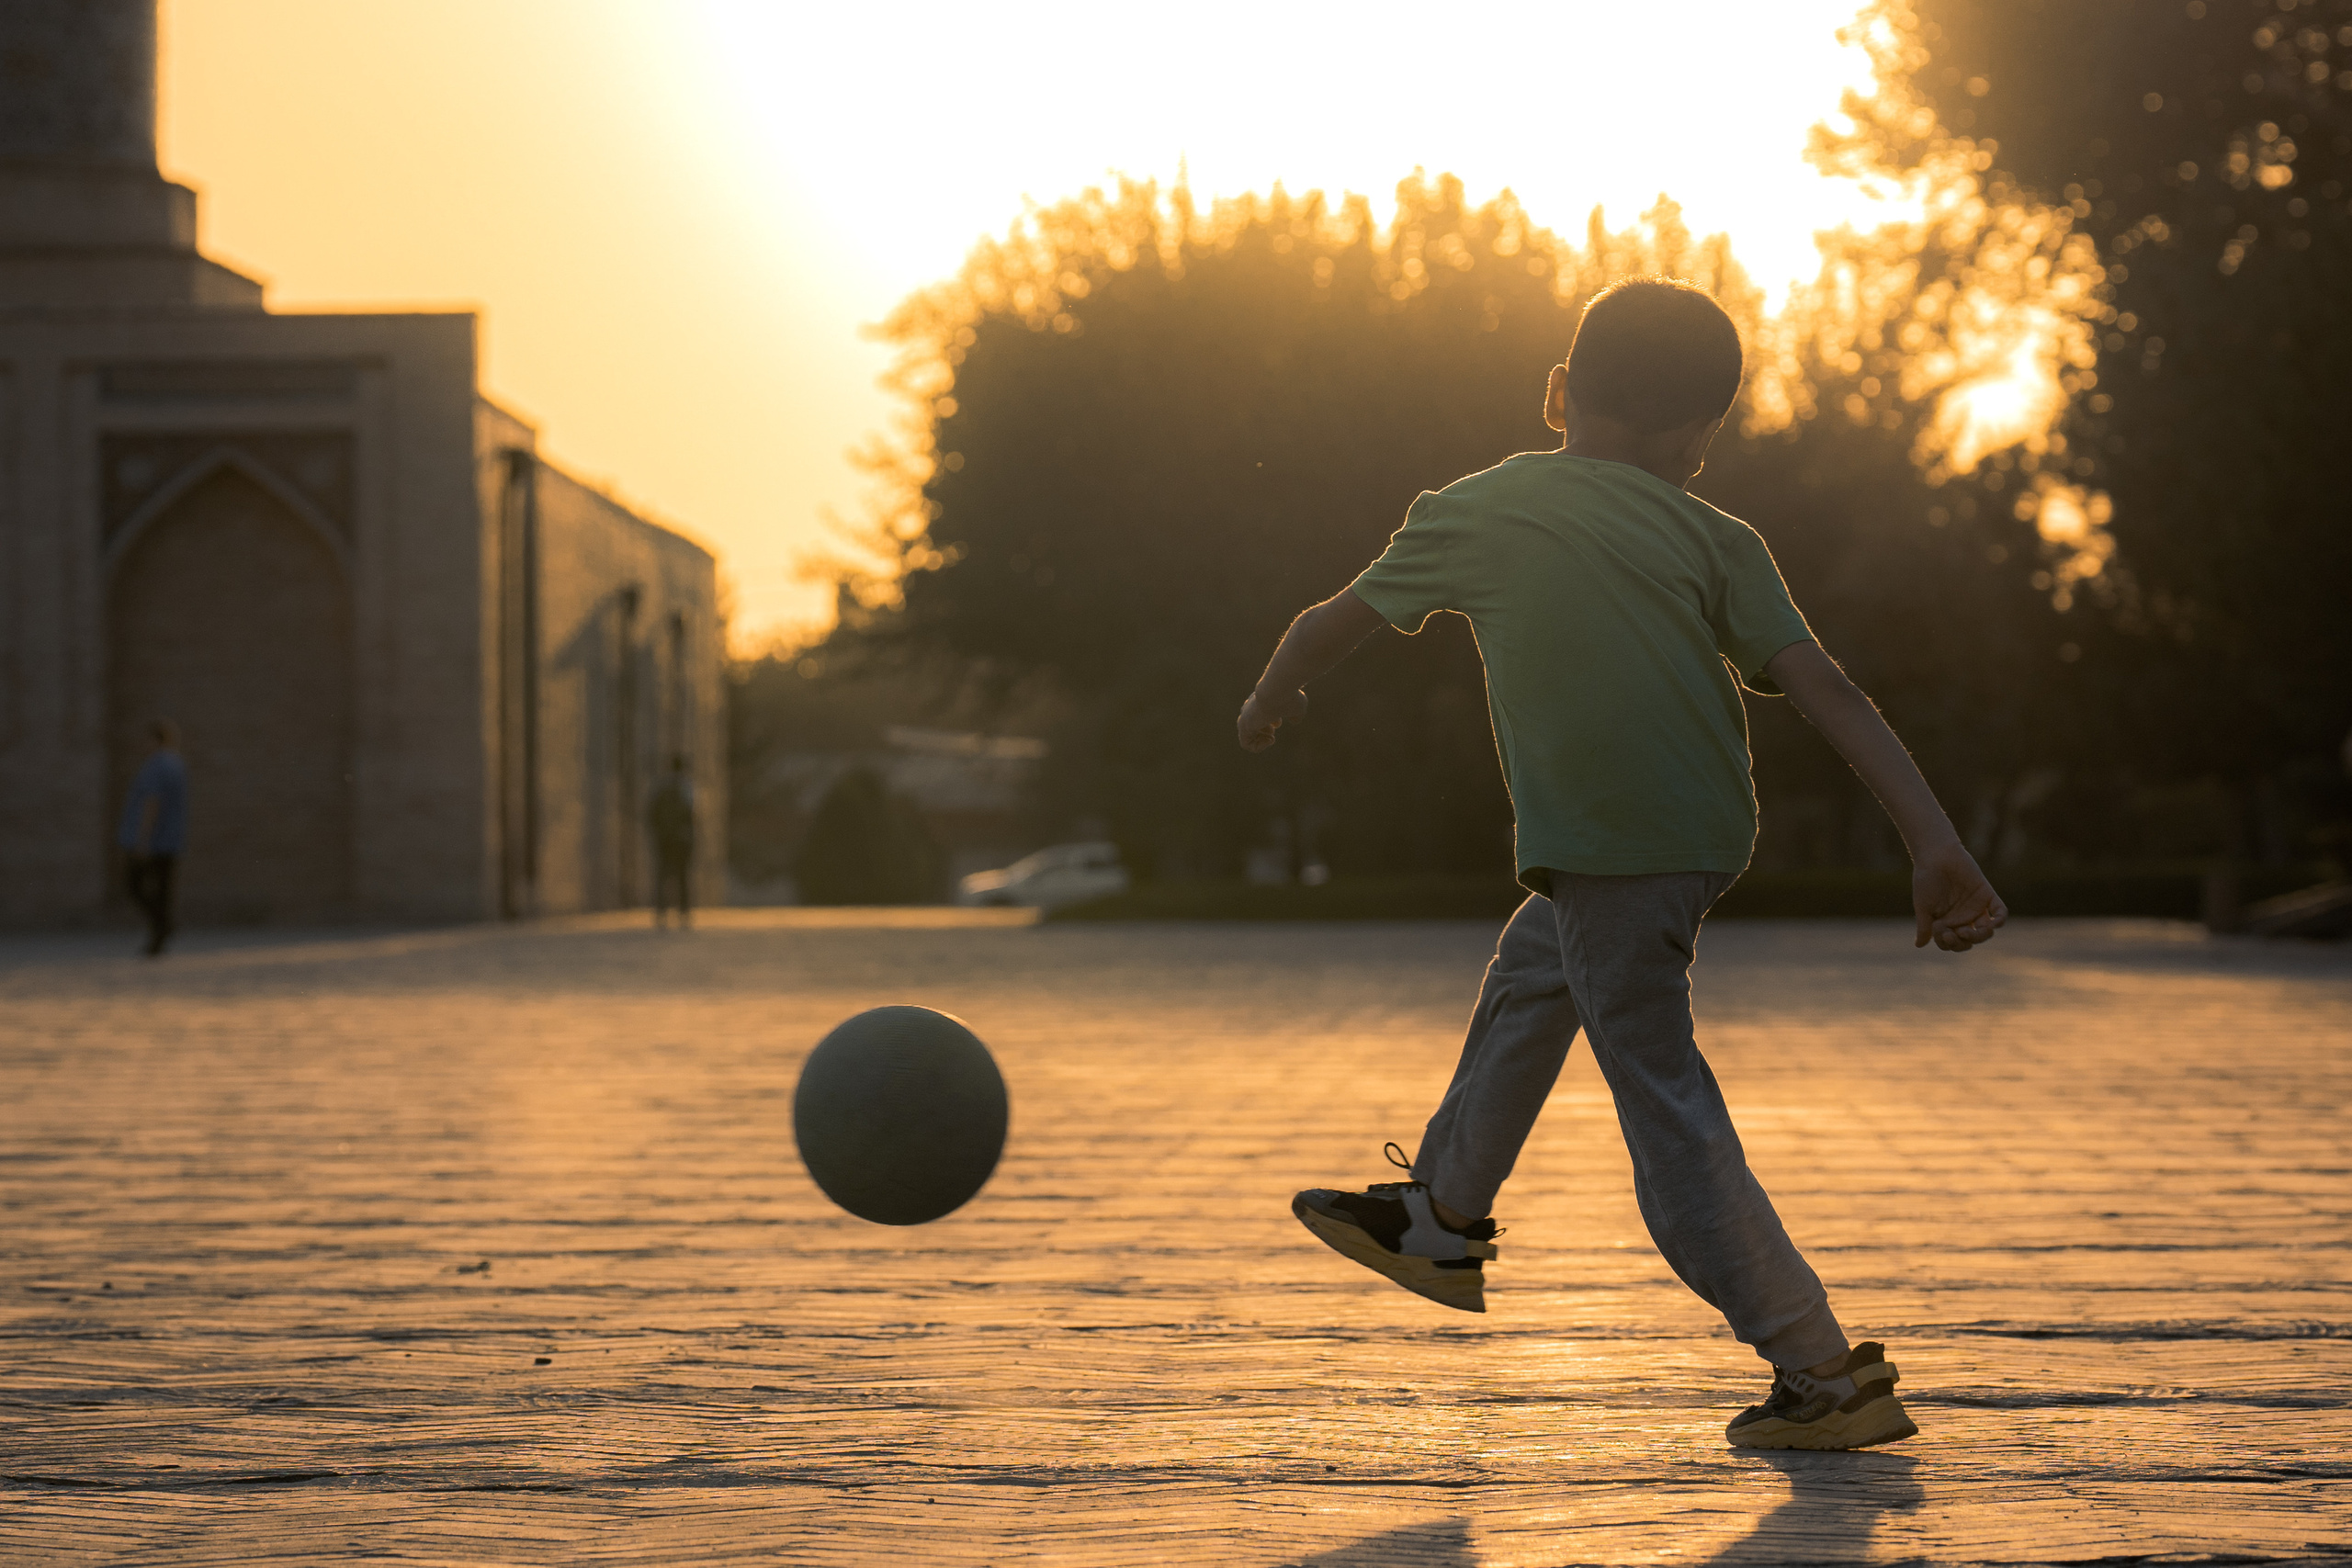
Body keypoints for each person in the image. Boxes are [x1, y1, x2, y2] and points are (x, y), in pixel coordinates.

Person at [1235, 278, 2006, 1453]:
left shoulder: (1473, 509)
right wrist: (1934, 840)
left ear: (1557, 395)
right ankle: (1442, 1214)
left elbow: (1323, 623)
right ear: (1703, 435)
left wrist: (1271, 693)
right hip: (1684, 844)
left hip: (1610, 852)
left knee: (1667, 1112)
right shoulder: (1719, 538)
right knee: (1531, 977)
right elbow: (1827, 689)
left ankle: (1818, 1370)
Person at [118, 719, 189, 957]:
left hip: (155, 840)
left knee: (134, 884)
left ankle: (163, 925)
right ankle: (160, 935)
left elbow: (152, 803)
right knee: (163, 889)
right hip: (172, 839)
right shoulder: (176, 764)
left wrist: (142, 839)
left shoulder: (156, 766)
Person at [649, 752, 696, 930]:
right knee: (682, 877)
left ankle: (661, 913)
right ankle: (683, 914)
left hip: (665, 839)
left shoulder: (660, 787)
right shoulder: (686, 786)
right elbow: (691, 814)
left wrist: (657, 833)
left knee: (663, 875)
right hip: (681, 839)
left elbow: (651, 813)